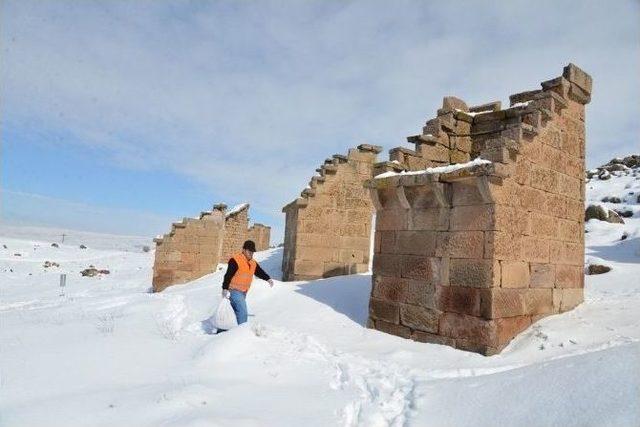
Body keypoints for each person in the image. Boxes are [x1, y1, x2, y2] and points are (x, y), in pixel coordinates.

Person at [218, 240, 273, 331]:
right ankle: (241, 333)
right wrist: (224, 288)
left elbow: (259, 272)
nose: (251, 253)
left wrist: (268, 278)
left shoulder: (253, 263)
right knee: (242, 312)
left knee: (231, 312)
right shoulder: (235, 260)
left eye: (252, 252)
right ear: (243, 250)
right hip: (233, 291)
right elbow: (228, 275)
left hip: (243, 292)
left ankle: (222, 331)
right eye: (249, 251)